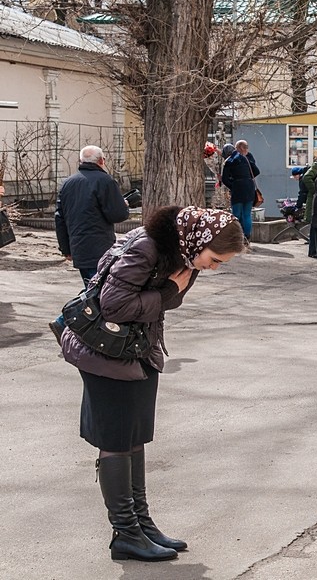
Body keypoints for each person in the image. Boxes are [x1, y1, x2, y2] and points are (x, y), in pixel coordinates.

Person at [60, 205, 246, 562]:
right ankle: (125, 534)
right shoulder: (147, 247)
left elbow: (165, 301)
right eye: (216, 260)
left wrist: (172, 289)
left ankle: (142, 524)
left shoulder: (183, 255)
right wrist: (165, 294)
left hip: (136, 350)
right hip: (106, 352)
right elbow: (114, 305)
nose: (215, 268)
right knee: (116, 440)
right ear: (199, 241)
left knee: (135, 437)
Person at [51, 145, 130, 343]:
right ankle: (65, 322)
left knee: (94, 289)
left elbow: (59, 218)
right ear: (102, 160)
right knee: (97, 291)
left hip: (78, 246)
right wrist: (124, 204)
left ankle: (80, 327)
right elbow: (118, 214)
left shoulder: (68, 183)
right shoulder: (105, 181)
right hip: (101, 247)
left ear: (81, 162)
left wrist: (66, 249)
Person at [221, 139, 260, 239]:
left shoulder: (229, 161)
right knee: (247, 214)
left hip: (238, 188)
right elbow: (256, 171)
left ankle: (237, 237)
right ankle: (247, 237)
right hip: (249, 187)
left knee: (236, 214)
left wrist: (233, 186)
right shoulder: (246, 158)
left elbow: (224, 179)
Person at [302, 152, 317, 258]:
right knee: (314, 227)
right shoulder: (316, 166)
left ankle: (315, 250)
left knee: (315, 226)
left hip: (316, 199)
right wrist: (315, 189)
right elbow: (306, 178)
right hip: (314, 200)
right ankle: (313, 250)